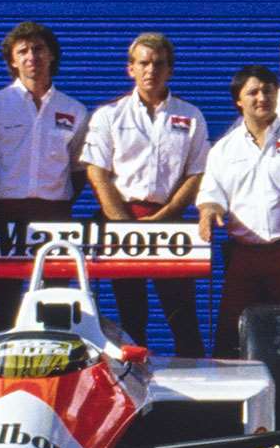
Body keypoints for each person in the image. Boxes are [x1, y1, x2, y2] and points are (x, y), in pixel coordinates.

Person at [84, 32, 210, 355]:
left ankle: (194, 393)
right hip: (120, 221)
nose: (150, 70)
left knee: (182, 316)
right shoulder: (109, 116)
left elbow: (197, 173)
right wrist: (123, 224)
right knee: (132, 317)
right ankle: (135, 393)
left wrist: (163, 218)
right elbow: (97, 172)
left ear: (170, 70)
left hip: (169, 223)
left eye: (158, 64)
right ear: (130, 69)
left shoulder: (191, 116)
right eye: (143, 63)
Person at [198, 64, 280, 356]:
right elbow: (212, 194)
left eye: (268, 91)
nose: (262, 98)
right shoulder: (224, 149)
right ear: (238, 100)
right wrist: (208, 212)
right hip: (245, 257)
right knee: (234, 334)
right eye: (253, 92)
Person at [0, 20, 88, 331]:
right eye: (22, 51)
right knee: (3, 305)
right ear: (12, 60)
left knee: (55, 303)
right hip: (3, 216)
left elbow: (78, 168)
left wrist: (57, 201)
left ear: (52, 56)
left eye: (39, 49)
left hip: (55, 215)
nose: (31, 57)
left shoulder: (73, 110)